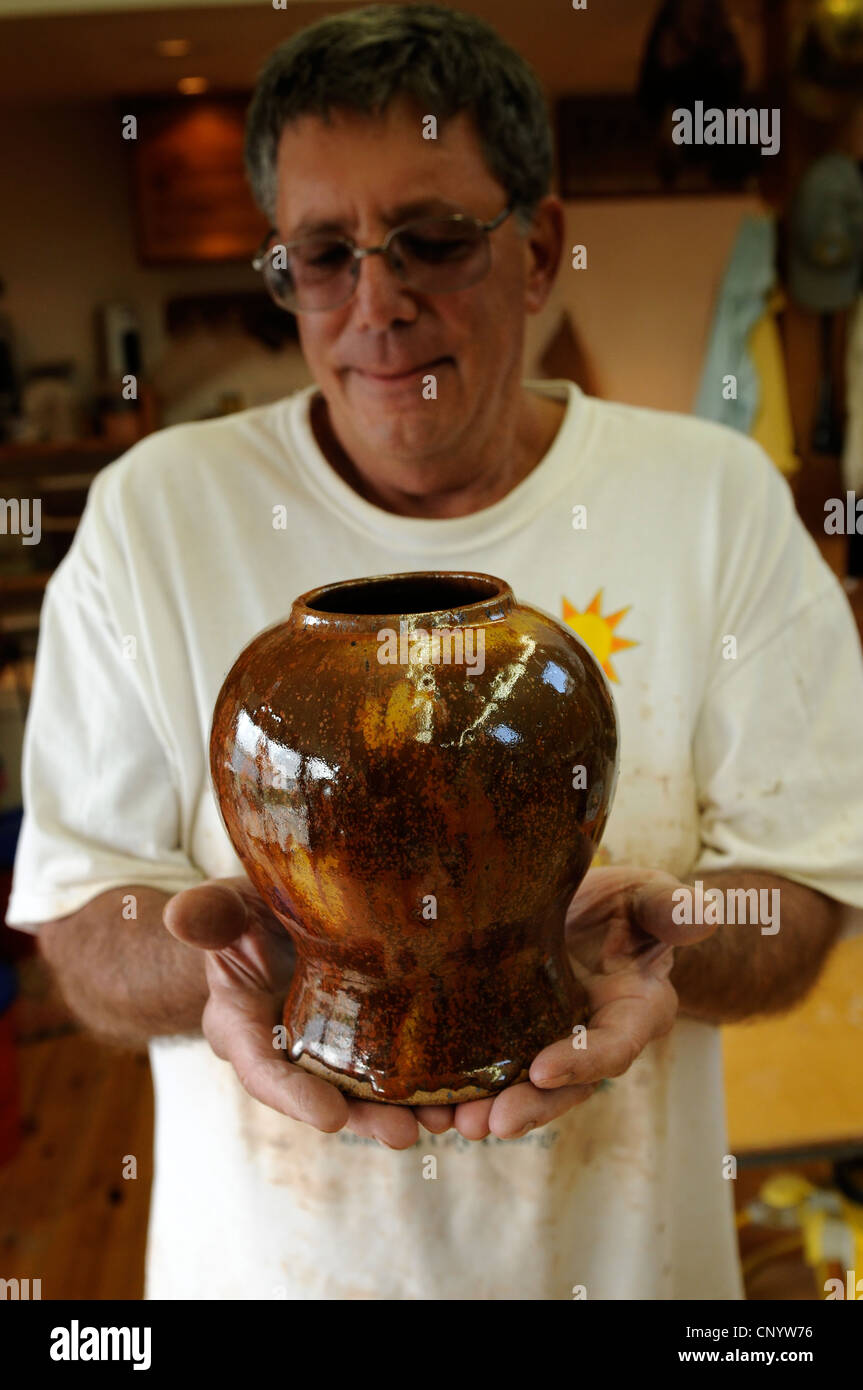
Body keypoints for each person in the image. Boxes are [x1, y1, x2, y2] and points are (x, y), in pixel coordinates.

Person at [6, 3, 863, 1301]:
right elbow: (82, 907)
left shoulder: (715, 500)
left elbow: (805, 883)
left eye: (434, 240)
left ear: (539, 249)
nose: (379, 304)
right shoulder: (154, 517)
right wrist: (239, 967)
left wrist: (654, 944)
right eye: (324, 254)